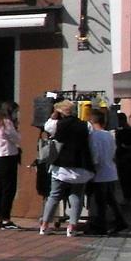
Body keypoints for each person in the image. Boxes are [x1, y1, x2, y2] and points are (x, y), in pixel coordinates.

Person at [38, 100, 94, 236]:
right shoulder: (86, 125)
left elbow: (47, 126)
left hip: (61, 165)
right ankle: (72, 227)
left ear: (60, 112)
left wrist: (54, 115)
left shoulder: (57, 124)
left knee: (54, 195)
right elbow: (91, 144)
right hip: (81, 164)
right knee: (77, 196)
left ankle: (44, 225)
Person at [87, 109, 127, 235]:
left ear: (91, 121)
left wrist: (91, 168)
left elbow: (95, 155)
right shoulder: (109, 135)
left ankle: (100, 226)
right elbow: (114, 150)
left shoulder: (93, 136)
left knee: (99, 202)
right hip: (110, 171)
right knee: (111, 199)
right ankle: (120, 221)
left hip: (99, 173)